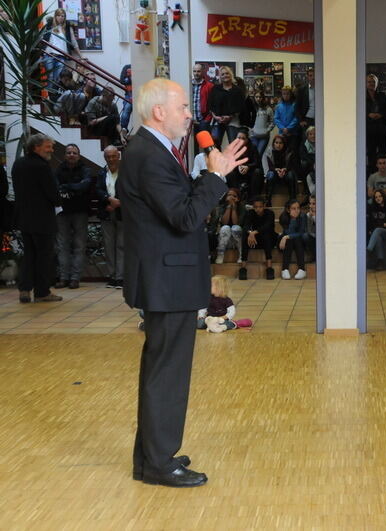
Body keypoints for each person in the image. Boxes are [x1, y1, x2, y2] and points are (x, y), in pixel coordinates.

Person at [118, 78, 247, 487]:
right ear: (159, 112)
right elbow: (185, 217)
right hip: (165, 280)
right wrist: (215, 178)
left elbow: (176, 203)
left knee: (162, 370)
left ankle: (152, 456)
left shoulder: (154, 150)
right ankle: (159, 464)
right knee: (167, 374)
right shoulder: (149, 154)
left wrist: (213, 175)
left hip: (165, 278)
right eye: (183, 108)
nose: (190, 114)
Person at [12, 134, 62, 303]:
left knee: (29, 255)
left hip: (24, 218)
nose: (51, 150)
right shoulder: (42, 166)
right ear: (36, 147)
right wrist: (58, 200)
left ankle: (24, 290)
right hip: (42, 218)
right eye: (48, 147)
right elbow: (52, 193)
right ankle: (42, 292)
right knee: (44, 256)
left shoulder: (18, 164)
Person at [54, 143, 91, 289]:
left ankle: (75, 278)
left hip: (80, 211)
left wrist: (67, 187)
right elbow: (55, 187)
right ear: (65, 155)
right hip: (62, 212)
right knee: (62, 245)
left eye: (74, 153)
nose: (71, 155)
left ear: (79, 155)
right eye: (69, 152)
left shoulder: (85, 170)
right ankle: (63, 277)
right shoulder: (58, 170)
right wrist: (75, 187)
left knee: (79, 245)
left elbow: (85, 185)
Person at [96, 145, 124, 289]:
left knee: (121, 245)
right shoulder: (101, 172)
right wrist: (108, 200)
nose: (111, 159)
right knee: (109, 246)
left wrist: (118, 203)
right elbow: (97, 190)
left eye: (113, 156)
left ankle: (121, 277)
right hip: (106, 212)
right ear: (105, 158)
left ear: (118, 156)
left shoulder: (127, 171)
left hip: (123, 213)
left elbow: (131, 189)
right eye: (108, 157)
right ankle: (111, 276)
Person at [42, 8, 80, 91]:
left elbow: (73, 42)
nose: (60, 17)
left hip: (61, 57)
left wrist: (81, 56)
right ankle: (49, 100)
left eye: (62, 16)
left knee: (58, 79)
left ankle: (54, 99)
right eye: (58, 15)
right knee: (50, 77)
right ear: (55, 16)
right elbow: (42, 38)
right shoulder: (49, 26)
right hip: (49, 55)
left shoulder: (67, 28)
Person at [209, 66, 246, 146]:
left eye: (227, 73)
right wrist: (215, 117)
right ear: (220, 76)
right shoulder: (215, 89)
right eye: (222, 74)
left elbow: (241, 107)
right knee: (214, 146)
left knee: (233, 146)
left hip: (233, 122)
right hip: (217, 121)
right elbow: (210, 104)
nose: (225, 75)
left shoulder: (238, 90)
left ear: (231, 75)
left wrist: (230, 117)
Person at [241, 196, 276, 280]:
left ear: (264, 206)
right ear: (253, 207)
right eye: (256, 207)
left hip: (270, 239)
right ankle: (243, 268)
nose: (258, 209)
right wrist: (250, 233)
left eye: (260, 207)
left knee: (266, 234)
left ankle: (269, 268)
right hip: (255, 241)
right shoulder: (250, 213)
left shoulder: (270, 213)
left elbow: (268, 226)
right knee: (245, 235)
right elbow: (245, 226)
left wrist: (254, 232)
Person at [365, 74, 386, 174]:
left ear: (377, 84)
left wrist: (380, 114)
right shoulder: (361, 96)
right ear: (365, 83)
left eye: (373, 82)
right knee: (371, 154)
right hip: (369, 131)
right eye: (369, 82)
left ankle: (382, 174)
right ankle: (372, 177)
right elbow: (358, 110)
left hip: (382, 130)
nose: (371, 84)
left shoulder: (382, 95)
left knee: (383, 152)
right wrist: (368, 115)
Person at [211, 188, 246, 265]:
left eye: (234, 196)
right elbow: (224, 222)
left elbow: (236, 223)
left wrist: (234, 207)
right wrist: (229, 206)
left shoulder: (242, 207)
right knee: (225, 227)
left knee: (235, 228)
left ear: (238, 198)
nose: (231, 197)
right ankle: (220, 254)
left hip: (237, 239)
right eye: (229, 195)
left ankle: (241, 254)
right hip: (224, 239)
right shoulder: (221, 207)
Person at [278, 199, 308, 280]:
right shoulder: (283, 217)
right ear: (288, 210)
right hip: (287, 243)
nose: (297, 210)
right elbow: (288, 232)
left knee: (296, 238)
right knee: (290, 239)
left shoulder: (303, 216)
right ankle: (285, 269)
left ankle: (302, 269)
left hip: (299, 242)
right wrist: (293, 220)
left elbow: (301, 232)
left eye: (298, 208)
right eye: (293, 208)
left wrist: (286, 237)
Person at [367, 190, 386, 269]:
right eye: (376, 197)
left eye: (380, 196)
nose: (378, 198)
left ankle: (368, 251)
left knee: (378, 230)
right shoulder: (373, 208)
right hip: (378, 232)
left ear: (383, 196)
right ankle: (380, 261)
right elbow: (372, 223)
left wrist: (379, 224)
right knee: (378, 236)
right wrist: (382, 224)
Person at [264, 134, 297, 206]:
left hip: (286, 172)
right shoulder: (270, 151)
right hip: (275, 172)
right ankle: (268, 200)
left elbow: (291, 165)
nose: (278, 145)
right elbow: (270, 167)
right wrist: (276, 170)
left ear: (284, 143)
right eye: (276, 142)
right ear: (273, 143)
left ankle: (293, 200)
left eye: (280, 143)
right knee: (270, 175)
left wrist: (285, 169)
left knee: (291, 175)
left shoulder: (289, 151)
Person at [226, 129, 260, 194]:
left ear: (247, 140)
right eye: (238, 138)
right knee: (229, 172)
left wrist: (248, 167)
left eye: (243, 138)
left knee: (257, 172)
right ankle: (235, 195)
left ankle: (252, 198)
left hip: (250, 171)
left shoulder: (253, 147)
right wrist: (238, 166)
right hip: (237, 172)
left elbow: (257, 162)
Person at [190, 63, 214, 141]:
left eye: (198, 71)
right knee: (192, 145)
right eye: (194, 71)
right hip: (191, 120)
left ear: (203, 72)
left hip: (203, 120)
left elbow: (213, 104)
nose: (196, 73)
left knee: (206, 143)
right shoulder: (189, 84)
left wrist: (207, 119)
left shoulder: (209, 86)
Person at [249, 92, 275, 161]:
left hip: (264, 136)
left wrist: (268, 130)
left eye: (260, 97)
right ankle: (258, 171)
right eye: (256, 97)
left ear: (263, 98)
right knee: (254, 156)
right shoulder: (252, 108)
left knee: (258, 155)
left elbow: (273, 121)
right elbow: (248, 120)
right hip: (254, 136)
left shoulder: (268, 109)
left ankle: (258, 171)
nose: (258, 99)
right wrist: (251, 129)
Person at [299, 126, 317, 196]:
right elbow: (304, 156)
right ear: (307, 136)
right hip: (309, 165)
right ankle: (306, 188)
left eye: (315, 134)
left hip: (318, 164)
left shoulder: (321, 143)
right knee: (304, 164)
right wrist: (313, 164)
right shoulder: (304, 144)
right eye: (310, 134)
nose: (313, 136)